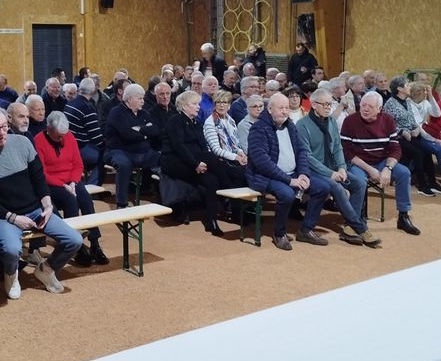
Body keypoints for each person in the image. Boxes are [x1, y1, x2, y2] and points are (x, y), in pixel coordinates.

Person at [0, 107, 83, 299]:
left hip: (36, 209)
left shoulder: (22, 142)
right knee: (12, 249)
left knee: (74, 240)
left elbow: (38, 177)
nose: (1, 132)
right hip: (4, 216)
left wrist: (47, 205)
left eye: (4, 126)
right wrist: (13, 218)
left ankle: (46, 268)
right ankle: (11, 274)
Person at [296, 89, 381, 247]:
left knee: (359, 183)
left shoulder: (331, 122)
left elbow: (337, 148)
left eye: (330, 104)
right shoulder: (302, 125)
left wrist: (342, 168)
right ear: (314, 105)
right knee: (337, 188)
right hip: (313, 170)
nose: (329, 107)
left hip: (333, 168)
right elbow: (307, 157)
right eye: (325, 104)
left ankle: (349, 229)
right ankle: (361, 228)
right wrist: (330, 173)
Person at [245, 94, 325, 250]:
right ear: (269, 109)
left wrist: (303, 174)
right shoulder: (258, 128)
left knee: (322, 188)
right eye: (280, 108)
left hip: (292, 174)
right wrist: (289, 181)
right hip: (264, 176)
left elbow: (302, 151)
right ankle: (279, 233)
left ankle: (306, 230)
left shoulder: (290, 126)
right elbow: (262, 163)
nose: (284, 111)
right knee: (287, 194)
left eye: (287, 108)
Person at [341, 92, 421, 236]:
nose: (365, 109)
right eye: (363, 105)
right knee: (359, 180)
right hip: (359, 163)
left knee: (404, 173)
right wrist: (370, 170)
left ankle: (403, 217)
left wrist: (388, 168)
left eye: (370, 107)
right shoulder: (350, 121)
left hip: (381, 161)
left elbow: (395, 148)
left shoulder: (388, 121)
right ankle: (354, 220)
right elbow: (347, 152)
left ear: (379, 109)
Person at [34, 111, 108, 266]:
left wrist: (74, 182)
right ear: (48, 129)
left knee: (87, 201)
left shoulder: (69, 136)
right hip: (52, 183)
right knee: (71, 201)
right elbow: (42, 172)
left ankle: (95, 243)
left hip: (71, 181)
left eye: (63, 135)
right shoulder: (39, 141)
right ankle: (76, 244)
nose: (62, 139)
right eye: (58, 136)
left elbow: (77, 164)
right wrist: (62, 185)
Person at [161, 92, 230, 235]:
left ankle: (211, 222)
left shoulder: (197, 123)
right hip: (174, 161)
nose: (198, 107)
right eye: (194, 104)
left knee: (211, 180)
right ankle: (229, 190)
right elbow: (179, 147)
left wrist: (202, 162)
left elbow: (203, 147)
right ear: (184, 106)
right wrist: (196, 164)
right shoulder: (175, 121)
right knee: (215, 162)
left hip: (195, 160)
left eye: (198, 104)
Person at [382, 76, 441, 196]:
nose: (409, 88)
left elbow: (412, 120)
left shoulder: (407, 101)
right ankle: (422, 185)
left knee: (427, 150)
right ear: (400, 89)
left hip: (412, 135)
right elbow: (386, 125)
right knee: (418, 153)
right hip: (397, 138)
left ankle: (432, 182)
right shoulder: (390, 103)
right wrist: (402, 132)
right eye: (407, 85)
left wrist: (416, 128)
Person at [104, 84, 161, 209]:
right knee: (124, 165)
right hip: (119, 150)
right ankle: (121, 203)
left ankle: (162, 197)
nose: (143, 101)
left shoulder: (144, 113)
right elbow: (127, 135)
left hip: (142, 152)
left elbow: (156, 130)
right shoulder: (116, 112)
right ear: (129, 99)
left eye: (143, 98)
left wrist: (139, 130)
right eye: (140, 98)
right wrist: (145, 133)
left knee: (164, 159)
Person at [65, 78, 104, 186]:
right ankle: (93, 188)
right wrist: (105, 145)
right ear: (92, 91)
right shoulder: (88, 108)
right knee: (103, 157)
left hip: (67, 146)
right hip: (80, 148)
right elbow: (96, 136)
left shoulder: (69, 104)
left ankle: (85, 184)